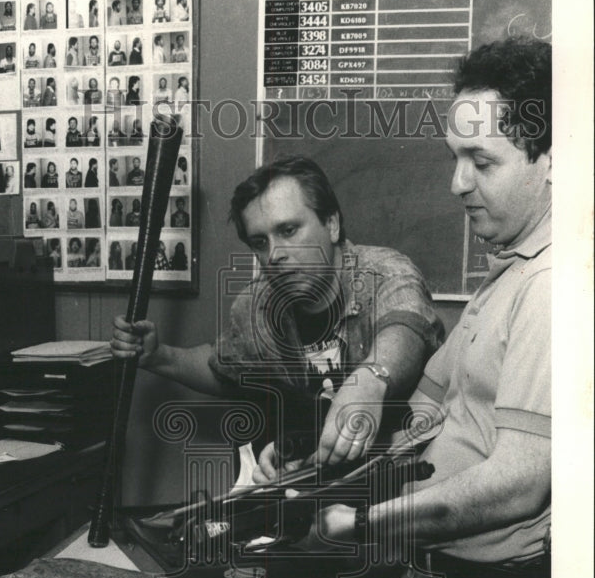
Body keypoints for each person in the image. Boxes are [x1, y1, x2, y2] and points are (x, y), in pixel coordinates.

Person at [312, 38, 553, 578]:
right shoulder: (509, 276)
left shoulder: (561, 289)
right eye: (456, 156)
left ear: (555, 159)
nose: (457, 184)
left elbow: (523, 480)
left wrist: (369, 524)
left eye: (481, 160)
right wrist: (326, 463)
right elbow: (433, 411)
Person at [112, 155, 443, 470]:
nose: (274, 255)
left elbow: (405, 328)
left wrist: (372, 380)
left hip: (408, 473)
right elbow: (226, 367)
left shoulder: (386, 273)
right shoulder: (257, 305)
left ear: (331, 225)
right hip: (321, 478)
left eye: (288, 231)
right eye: (259, 242)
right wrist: (158, 356)